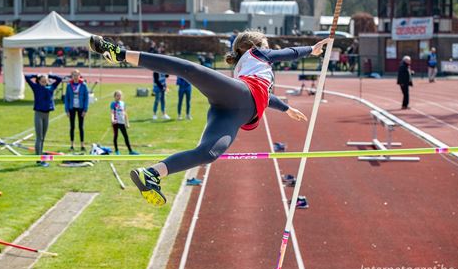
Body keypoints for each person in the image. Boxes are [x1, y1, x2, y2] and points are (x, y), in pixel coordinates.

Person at [90, 31, 328, 206]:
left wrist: (286, 108)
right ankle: (119, 53)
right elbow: (286, 54)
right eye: (267, 45)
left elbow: (265, 97)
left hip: (235, 111)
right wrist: (311, 50)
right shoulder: (258, 53)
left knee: (208, 153)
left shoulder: (251, 67)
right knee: (190, 70)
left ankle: (151, 174)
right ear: (256, 45)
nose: (270, 48)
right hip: (240, 98)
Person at [25, 73, 62, 166]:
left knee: (43, 138)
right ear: (39, 81)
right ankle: (38, 159)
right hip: (39, 114)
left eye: (45, 81)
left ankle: (41, 157)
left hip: (47, 115)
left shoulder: (51, 88)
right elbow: (26, 77)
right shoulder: (36, 87)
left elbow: (59, 79)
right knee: (39, 137)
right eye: (42, 81)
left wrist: (49, 75)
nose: (44, 82)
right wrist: (36, 75)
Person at [64, 70, 89, 152]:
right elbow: (66, 98)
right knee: (72, 127)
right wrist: (67, 110)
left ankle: (82, 145)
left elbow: (86, 98)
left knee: (81, 127)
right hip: (72, 108)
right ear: (72, 76)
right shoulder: (69, 85)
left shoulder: (83, 85)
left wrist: (85, 110)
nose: (75, 77)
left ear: (79, 76)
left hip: (81, 108)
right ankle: (72, 145)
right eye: (74, 75)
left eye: (77, 75)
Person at [110, 90, 139, 155]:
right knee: (115, 136)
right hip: (116, 122)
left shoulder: (123, 103)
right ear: (114, 96)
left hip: (122, 122)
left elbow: (125, 113)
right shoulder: (113, 104)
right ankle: (117, 151)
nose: (119, 97)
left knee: (126, 136)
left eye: (120, 95)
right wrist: (112, 120)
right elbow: (112, 113)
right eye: (117, 95)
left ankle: (130, 151)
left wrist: (127, 122)